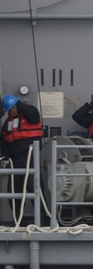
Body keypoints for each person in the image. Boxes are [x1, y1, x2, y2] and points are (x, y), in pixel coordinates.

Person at [1, 95, 42, 224]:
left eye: (13, 108)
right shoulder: (8, 122)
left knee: (34, 188)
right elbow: (3, 140)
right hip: (15, 160)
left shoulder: (31, 113)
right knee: (14, 191)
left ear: (17, 105)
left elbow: (34, 117)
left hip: (30, 157)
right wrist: (6, 155)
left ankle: (42, 219)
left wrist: (19, 103)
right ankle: (17, 219)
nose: (11, 111)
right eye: (9, 110)